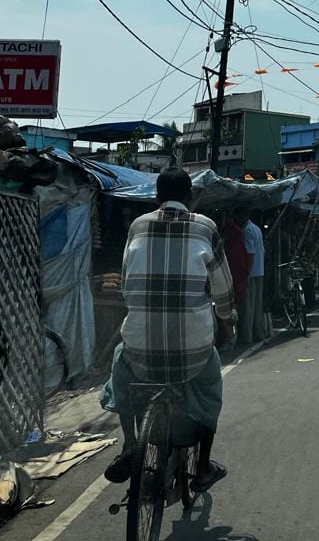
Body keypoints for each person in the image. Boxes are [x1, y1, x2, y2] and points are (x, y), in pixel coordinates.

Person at [102, 168, 235, 490]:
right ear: (190, 198)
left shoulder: (137, 226)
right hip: (194, 348)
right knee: (208, 391)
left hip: (139, 347)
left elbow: (126, 281)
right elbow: (223, 290)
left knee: (121, 363)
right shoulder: (205, 227)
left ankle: (130, 444)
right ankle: (202, 468)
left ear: (157, 198)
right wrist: (228, 322)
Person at [221, 214, 250, 351]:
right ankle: (234, 337)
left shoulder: (234, 246)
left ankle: (232, 338)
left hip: (235, 280)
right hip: (237, 279)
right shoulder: (237, 244)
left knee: (231, 309)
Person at [240, 217, 266, 345]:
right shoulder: (256, 228)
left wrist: (247, 272)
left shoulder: (246, 230)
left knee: (248, 306)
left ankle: (247, 337)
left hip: (251, 272)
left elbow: (250, 253)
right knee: (257, 305)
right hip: (259, 270)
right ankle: (259, 333)